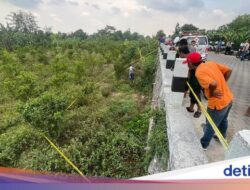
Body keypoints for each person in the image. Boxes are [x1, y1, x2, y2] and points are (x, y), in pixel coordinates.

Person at [183, 52, 233, 150]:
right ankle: (221, 136)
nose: (187, 65)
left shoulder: (199, 72)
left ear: (191, 63)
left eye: (188, 63)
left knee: (210, 125)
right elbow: (229, 70)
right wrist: (223, 83)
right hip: (228, 98)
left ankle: (203, 144)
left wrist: (212, 92)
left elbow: (213, 83)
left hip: (217, 104)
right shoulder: (211, 63)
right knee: (223, 120)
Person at [179, 46, 202, 118]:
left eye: (188, 63)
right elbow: (189, 71)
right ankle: (191, 108)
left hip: (196, 82)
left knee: (196, 95)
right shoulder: (190, 62)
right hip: (192, 80)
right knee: (192, 94)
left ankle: (199, 110)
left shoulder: (192, 58)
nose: (187, 64)